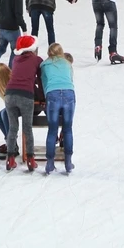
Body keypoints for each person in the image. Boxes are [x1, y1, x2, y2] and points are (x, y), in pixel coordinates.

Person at [3, 35, 43, 172]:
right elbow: (39, 80)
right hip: (26, 95)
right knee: (27, 128)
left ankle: (10, 159)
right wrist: (42, 98)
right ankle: (31, 160)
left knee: (13, 127)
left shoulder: (15, 59)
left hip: (9, 94)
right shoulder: (37, 60)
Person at [41, 43, 76, 175]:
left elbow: (44, 83)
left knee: (52, 129)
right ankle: (68, 162)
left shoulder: (44, 65)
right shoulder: (67, 63)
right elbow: (70, 80)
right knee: (68, 129)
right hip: (69, 93)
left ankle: (50, 163)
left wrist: (48, 97)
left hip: (52, 94)